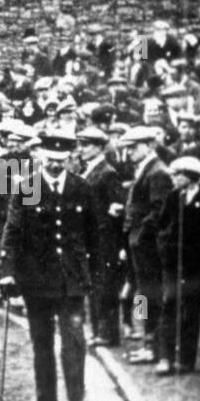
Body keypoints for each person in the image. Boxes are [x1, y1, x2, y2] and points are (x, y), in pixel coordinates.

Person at [0, 132, 98, 401]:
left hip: (71, 282)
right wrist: (6, 271)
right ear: (41, 156)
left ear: (69, 158)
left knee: (74, 345)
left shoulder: (81, 188)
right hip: (36, 282)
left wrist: (95, 275)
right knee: (41, 343)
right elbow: (13, 232)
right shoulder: (29, 187)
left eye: (61, 160)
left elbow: (94, 234)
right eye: (50, 160)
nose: (55, 165)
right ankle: (45, 400)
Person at [118, 126, 172, 366]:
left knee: (149, 294)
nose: (129, 152)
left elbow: (160, 209)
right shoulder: (146, 170)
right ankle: (146, 340)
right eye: (128, 147)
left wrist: (140, 233)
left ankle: (152, 344)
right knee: (142, 292)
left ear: (149, 145)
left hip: (147, 246)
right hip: (138, 244)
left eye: (134, 147)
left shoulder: (157, 172)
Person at [155, 156, 200, 374]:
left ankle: (186, 360)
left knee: (191, 311)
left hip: (195, 266)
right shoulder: (173, 197)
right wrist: (165, 244)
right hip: (172, 263)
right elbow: (161, 223)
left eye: (178, 175)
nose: (174, 178)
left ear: (189, 177)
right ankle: (165, 357)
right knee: (169, 305)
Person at [76, 126, 125, 348]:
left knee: (105, 287)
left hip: (104, 239)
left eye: (86, 145)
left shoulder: (107, 172)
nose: (82, 149)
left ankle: (107, 333)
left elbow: (116, 208)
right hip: (91, 238)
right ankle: (99, 331)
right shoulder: (89, 170)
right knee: (95, 287)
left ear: (98, 147)